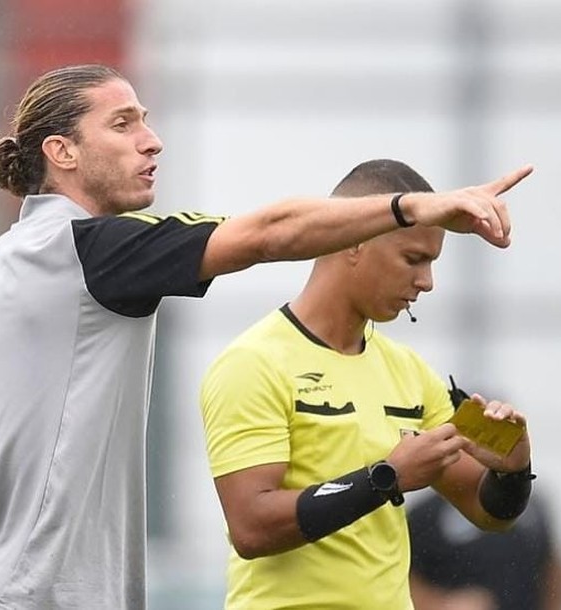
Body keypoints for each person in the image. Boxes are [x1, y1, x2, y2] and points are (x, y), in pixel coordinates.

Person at [0, 62, 533, 610]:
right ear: (61, 151)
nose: (152, 139)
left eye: (146, 120)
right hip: (36, 598)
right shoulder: (89, 252)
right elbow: (270, 233)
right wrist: (417, 206)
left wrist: (512, 465)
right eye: (123, 124)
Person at [198, 158, 538, 610]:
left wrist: (511, 471)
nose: (427, 282)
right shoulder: (253, 362)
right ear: (354, 241)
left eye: (431, 262)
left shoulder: (410, 372)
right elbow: (252, 527)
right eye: (413, 259)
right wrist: (387, 477)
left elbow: (487, 512)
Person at [408, 485, 561, 610]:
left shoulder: (528, 504)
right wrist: (443, 604)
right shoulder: (426, 514)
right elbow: (404, 577)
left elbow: (553, 567)